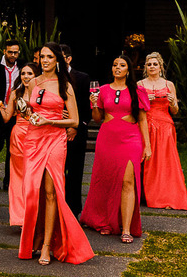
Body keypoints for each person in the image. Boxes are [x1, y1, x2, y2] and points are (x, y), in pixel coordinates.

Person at [15, 43, 95, 265]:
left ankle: (47, 245)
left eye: (49, 57)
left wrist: (50, 120)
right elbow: (31, 110)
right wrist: (25, 111)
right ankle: (36, 236)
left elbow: (75, 121)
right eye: (42, 57)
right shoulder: (32, 82)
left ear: (58, 59)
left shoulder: (65, 85)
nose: (45, 60)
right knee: (32, 192)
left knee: (51, 192)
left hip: (55, 139)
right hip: (33, 139)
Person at [80, 54, 152, 243]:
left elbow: (143, 120)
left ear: (128, 70)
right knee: (106, 179)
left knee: (128, 181)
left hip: (130, 139)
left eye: (121, 65)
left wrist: (148, 146)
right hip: (107, 138)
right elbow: (97, 118)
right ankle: (105, 220)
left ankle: (126, 228)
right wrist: (94, 103)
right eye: (114, 65)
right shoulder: (102, 90)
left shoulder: (138, 91)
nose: (117, 68)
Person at [138, 51, 187, 210]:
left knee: (165, 161)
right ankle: (145, 195)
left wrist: (173, 103)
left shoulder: (169, 85)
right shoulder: (140, 85)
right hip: (146, 123)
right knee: (147, 160)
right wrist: (144, 101)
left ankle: (167, 194)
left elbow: (175, 110)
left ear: (160, 67)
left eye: (155, 64)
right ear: (145, 68)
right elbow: (135, 108)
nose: (152, 67)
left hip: (165, 126)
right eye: (149, 64)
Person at [0, 63, 37, 225]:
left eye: (30, 73)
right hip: (18, 135)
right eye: (23, 74)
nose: (26, 76)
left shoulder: (41, 94)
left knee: (33, 177)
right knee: (18, 177)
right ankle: (19, 217)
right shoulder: (15, 93)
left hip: (36, 136)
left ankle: (34, 215)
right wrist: (0, 106)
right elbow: (7, 117)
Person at [0, 39, 24, 189]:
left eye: (16, 52)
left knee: (11, 148)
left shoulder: (22, 67)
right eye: (10, 52)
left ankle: (8, 180)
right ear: (4, 51)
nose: (13, 55)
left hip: (14, 112)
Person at [61, 44, 92, 216]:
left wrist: (76, 127)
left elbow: (85, 108)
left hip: (77, 132)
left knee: (75, 172)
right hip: (55, 131)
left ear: (68, 58)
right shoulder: (51, 79)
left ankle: (74, 209)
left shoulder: (81, 77)